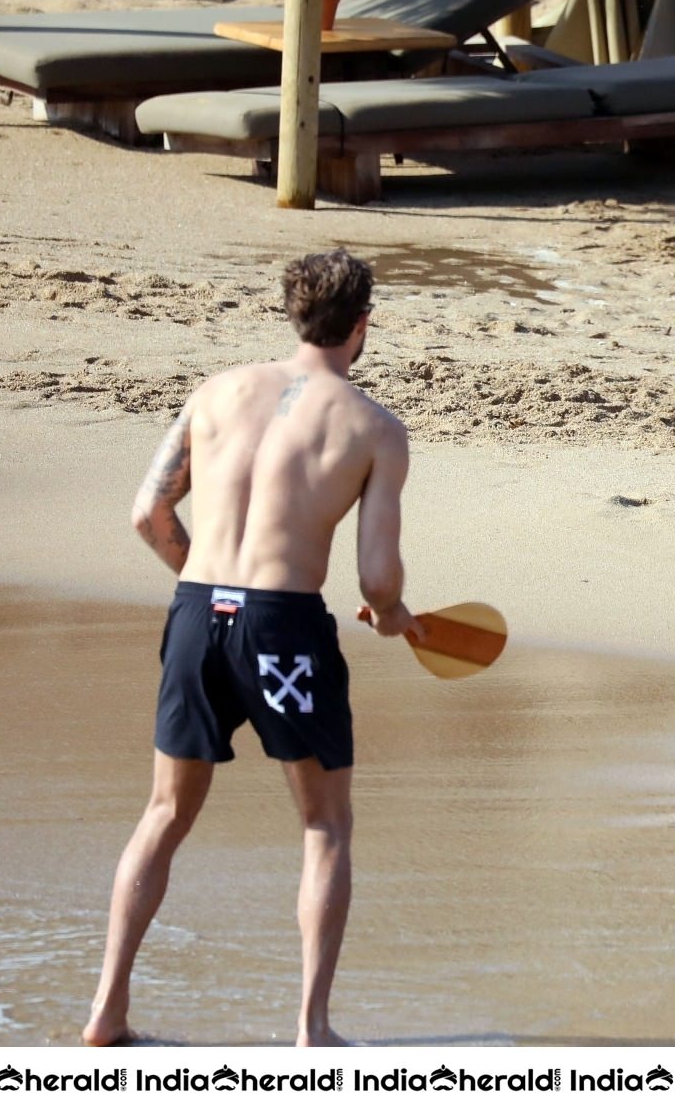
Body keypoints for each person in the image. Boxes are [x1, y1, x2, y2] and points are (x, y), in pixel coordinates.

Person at [81, 248, 424, 1047]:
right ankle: (311, 1029)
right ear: (363, 326)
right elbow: (376, 579)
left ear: (293, 315)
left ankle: (106, 1012)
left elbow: (148, 513)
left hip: (198, 613)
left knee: (164, 813)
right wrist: (394, 614)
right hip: (285, 627)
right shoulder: (374, 428)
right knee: (325, 825)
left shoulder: (217, 391)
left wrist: (206, 588)